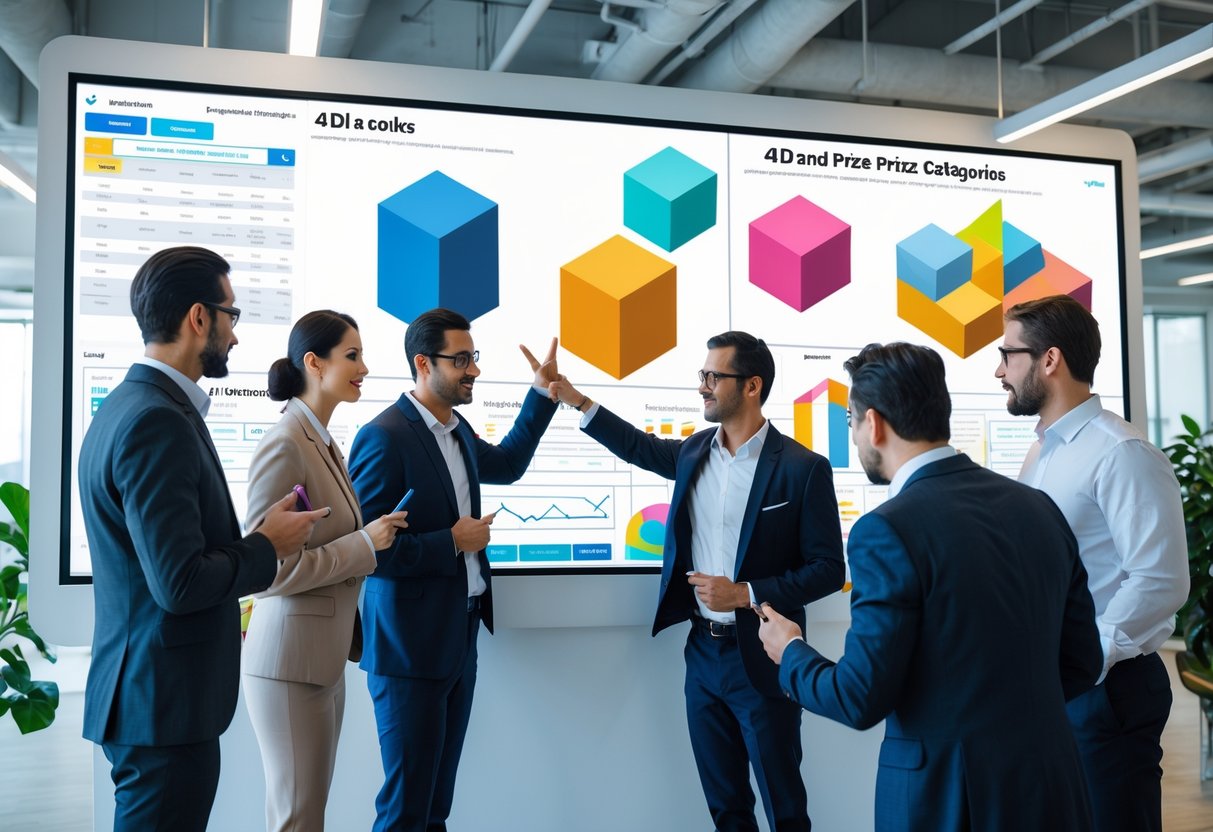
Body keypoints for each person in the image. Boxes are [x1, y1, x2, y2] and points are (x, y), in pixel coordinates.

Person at [758, 341, 1103, 832]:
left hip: (949, 801)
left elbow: (859, 698)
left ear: (873, 424)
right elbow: (1082, 663)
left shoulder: (885, 530)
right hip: (1051, 786)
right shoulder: (1038, 508)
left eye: (851, 422)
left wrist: (790, 650)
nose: (854, 437)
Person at [547, 331, 844, 832]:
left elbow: (829, 570)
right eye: (702, 376)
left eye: (713, 377)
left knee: (784, 808)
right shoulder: (694, 452)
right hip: (703, 657)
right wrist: (574, 398)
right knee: (725, 808)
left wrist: (745, 593)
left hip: (765, 659)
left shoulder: (802, 469)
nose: (703, 387)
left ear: (751, 386)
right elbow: (638, 447)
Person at [78, 246, 327, 832]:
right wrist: (268, 544)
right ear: (198, 318)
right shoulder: (155, 419)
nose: (236, 336)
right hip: (163, 708)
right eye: (231, 316)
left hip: (153, 700)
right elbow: (180, 583)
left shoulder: (131, 406)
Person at [347, 308, 560, 832]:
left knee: (436, 806)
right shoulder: (384, 437)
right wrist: (452, 542)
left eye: (473, 357)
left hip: (459, 638)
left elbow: (507, 465)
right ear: (423, 363)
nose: (474, 370)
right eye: (461, 359)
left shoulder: (456, 428)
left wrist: (540, 396)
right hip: (408, 650)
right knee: (405, 810)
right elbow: (369, 552)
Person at [997, 295, 1190, 832]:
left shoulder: (1121, 452)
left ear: (1049, 359)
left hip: (1106, 688)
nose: (999, 369)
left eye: (1007, 354)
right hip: (1057, 685)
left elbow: (1160, 581)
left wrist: (1082, 662)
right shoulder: (1044, 450)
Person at [241, 310, 410, 831]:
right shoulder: (286, 442)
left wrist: (367, 535)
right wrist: (365, 543)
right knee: (298, 819)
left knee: (307, 815)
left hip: (320, 661)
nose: (364, 367)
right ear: (314, 363)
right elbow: (266, 568)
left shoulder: (321, 438)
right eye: (352, 356)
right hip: (289, 664)